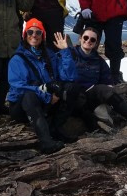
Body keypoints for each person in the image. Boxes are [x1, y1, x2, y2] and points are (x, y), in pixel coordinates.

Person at [6, 18, 77, 154]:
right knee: (29, 95)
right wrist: (46, 95)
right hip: (22, 106)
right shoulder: (18, 59)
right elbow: (19, 87)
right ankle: (45, 141)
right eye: (30, 32)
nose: (34, 35)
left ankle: (56, 129)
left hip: (46, 99)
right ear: (25, 35)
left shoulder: (49, 56)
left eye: (38, 33)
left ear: (42, 36)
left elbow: (69, 77)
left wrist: (64, 52)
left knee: (71, 88)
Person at [70, 27, 127, 137]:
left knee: (105, 91)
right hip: (73, 96)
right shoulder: (70, 55)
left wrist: (107, 91)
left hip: (90, 96)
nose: (88, 41)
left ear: (96, 43)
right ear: (80, 38)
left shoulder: (98, 61)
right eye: (86, 37)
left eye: (92, 40)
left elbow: (107, 80)